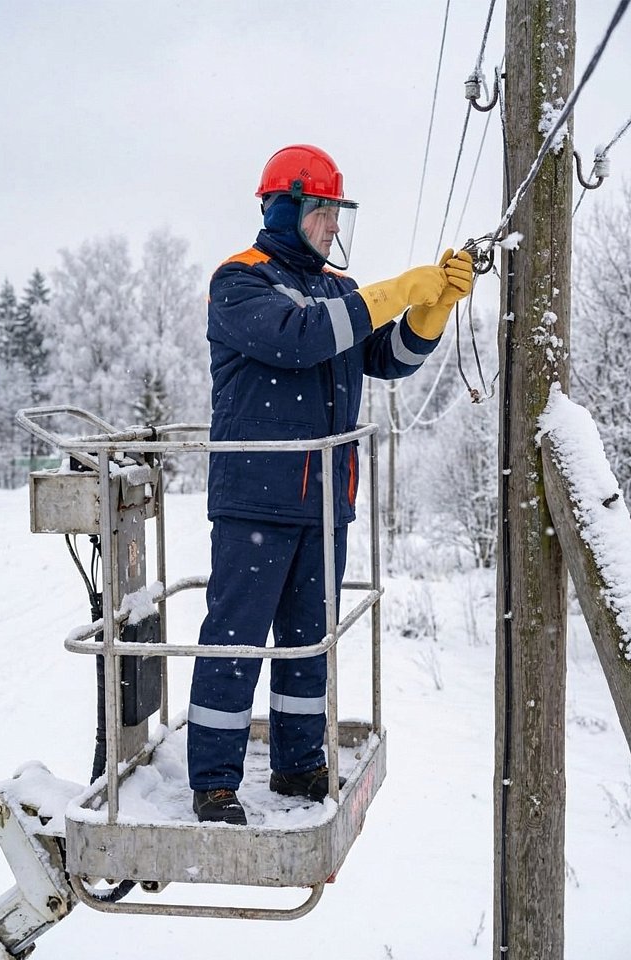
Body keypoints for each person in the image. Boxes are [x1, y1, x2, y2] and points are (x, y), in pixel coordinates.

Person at [188, 144, 473, 824]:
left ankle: (296, 765)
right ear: (282, 208)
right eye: (319, 209)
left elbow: (388, 358)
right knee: (235, 641)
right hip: (254, 499)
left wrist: (430, 310)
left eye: (335, 210)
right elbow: (300, 340)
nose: (329, 224)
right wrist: (401, 288)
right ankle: (216, 781)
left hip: (325, 504)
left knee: (307, 644)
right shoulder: (240, 282)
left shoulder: (339, 290)